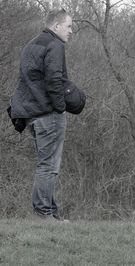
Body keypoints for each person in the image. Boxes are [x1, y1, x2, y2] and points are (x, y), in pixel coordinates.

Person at [9, 9, 73, 222]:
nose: (71, 31)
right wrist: (61, 107)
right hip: (48, 114)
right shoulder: (55, 45)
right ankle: (43, 214)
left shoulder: (31, 45)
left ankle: (50, 212)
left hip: (31, 114)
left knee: (46, 163)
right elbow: (54, 80)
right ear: (56, 27)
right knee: (48, 165)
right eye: (68, 26)